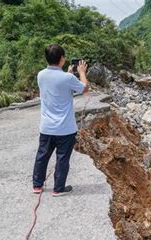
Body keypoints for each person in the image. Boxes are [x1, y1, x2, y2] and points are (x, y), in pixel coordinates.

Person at [32, 44, 89, 196]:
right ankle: (58, 188)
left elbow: (56, 85)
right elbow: (85, 88)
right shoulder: (68, 78)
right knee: (62, 158)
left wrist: (68, 73)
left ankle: (37, 185)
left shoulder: (41, 75)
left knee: (42, 156)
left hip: (46, 127)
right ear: (62, 59)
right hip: (65, 128)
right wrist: (81, 72)